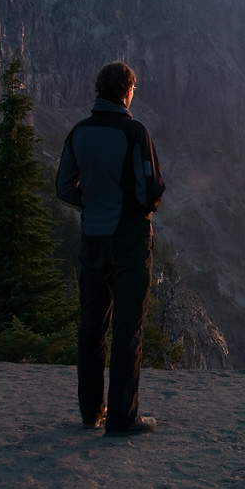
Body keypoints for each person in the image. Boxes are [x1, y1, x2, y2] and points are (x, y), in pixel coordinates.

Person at [56, 61, 166, 436]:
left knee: (91, 325)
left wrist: (92, 201)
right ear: (126, 90)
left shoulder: (79, 132)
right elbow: (151, 189)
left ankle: (91, 412)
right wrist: (138, 210)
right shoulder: (134, 132)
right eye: (133, 90)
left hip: (92, 239)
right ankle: (123, 417)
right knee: (127, 328)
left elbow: (63, 186)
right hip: (130, 240)